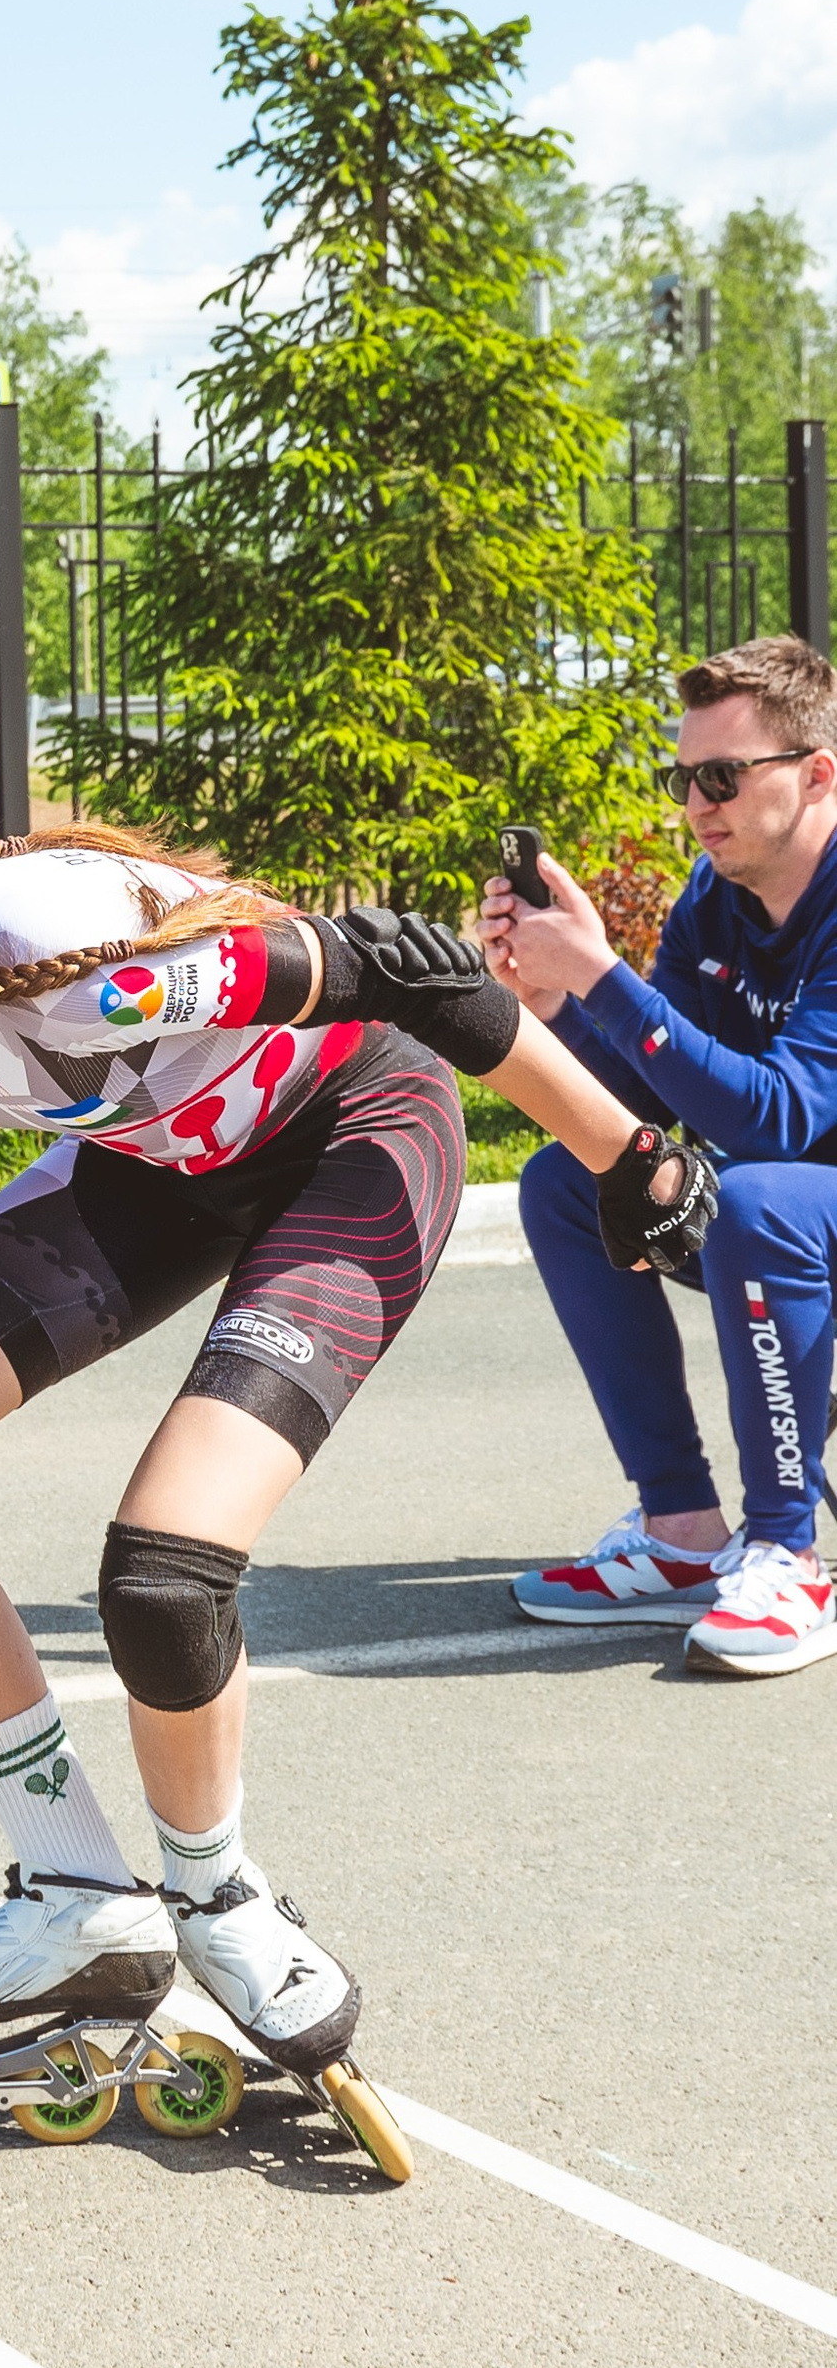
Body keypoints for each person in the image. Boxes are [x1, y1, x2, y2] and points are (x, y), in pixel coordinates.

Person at [0, 690, 711, 2153]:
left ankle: (218, 1894)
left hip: (350, 1133)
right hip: (155, 1162)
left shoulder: (60, 959)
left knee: (162, 1574)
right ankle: (77, 1898)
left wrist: (634, 1161)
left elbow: (413, 979)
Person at [485, 632, 837, 1676]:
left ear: (816, 773)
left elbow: (775, 1117)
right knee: (566, 1182)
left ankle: (788, 1549)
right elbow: (641, 1084)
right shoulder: (712, 897)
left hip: (791, 1198)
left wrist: (602, 980)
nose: (696, 803)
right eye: (684, 778)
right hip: (797, 1199)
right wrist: (548, 1006)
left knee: (758, 1200)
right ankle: (682, 1530)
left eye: (722, 777)